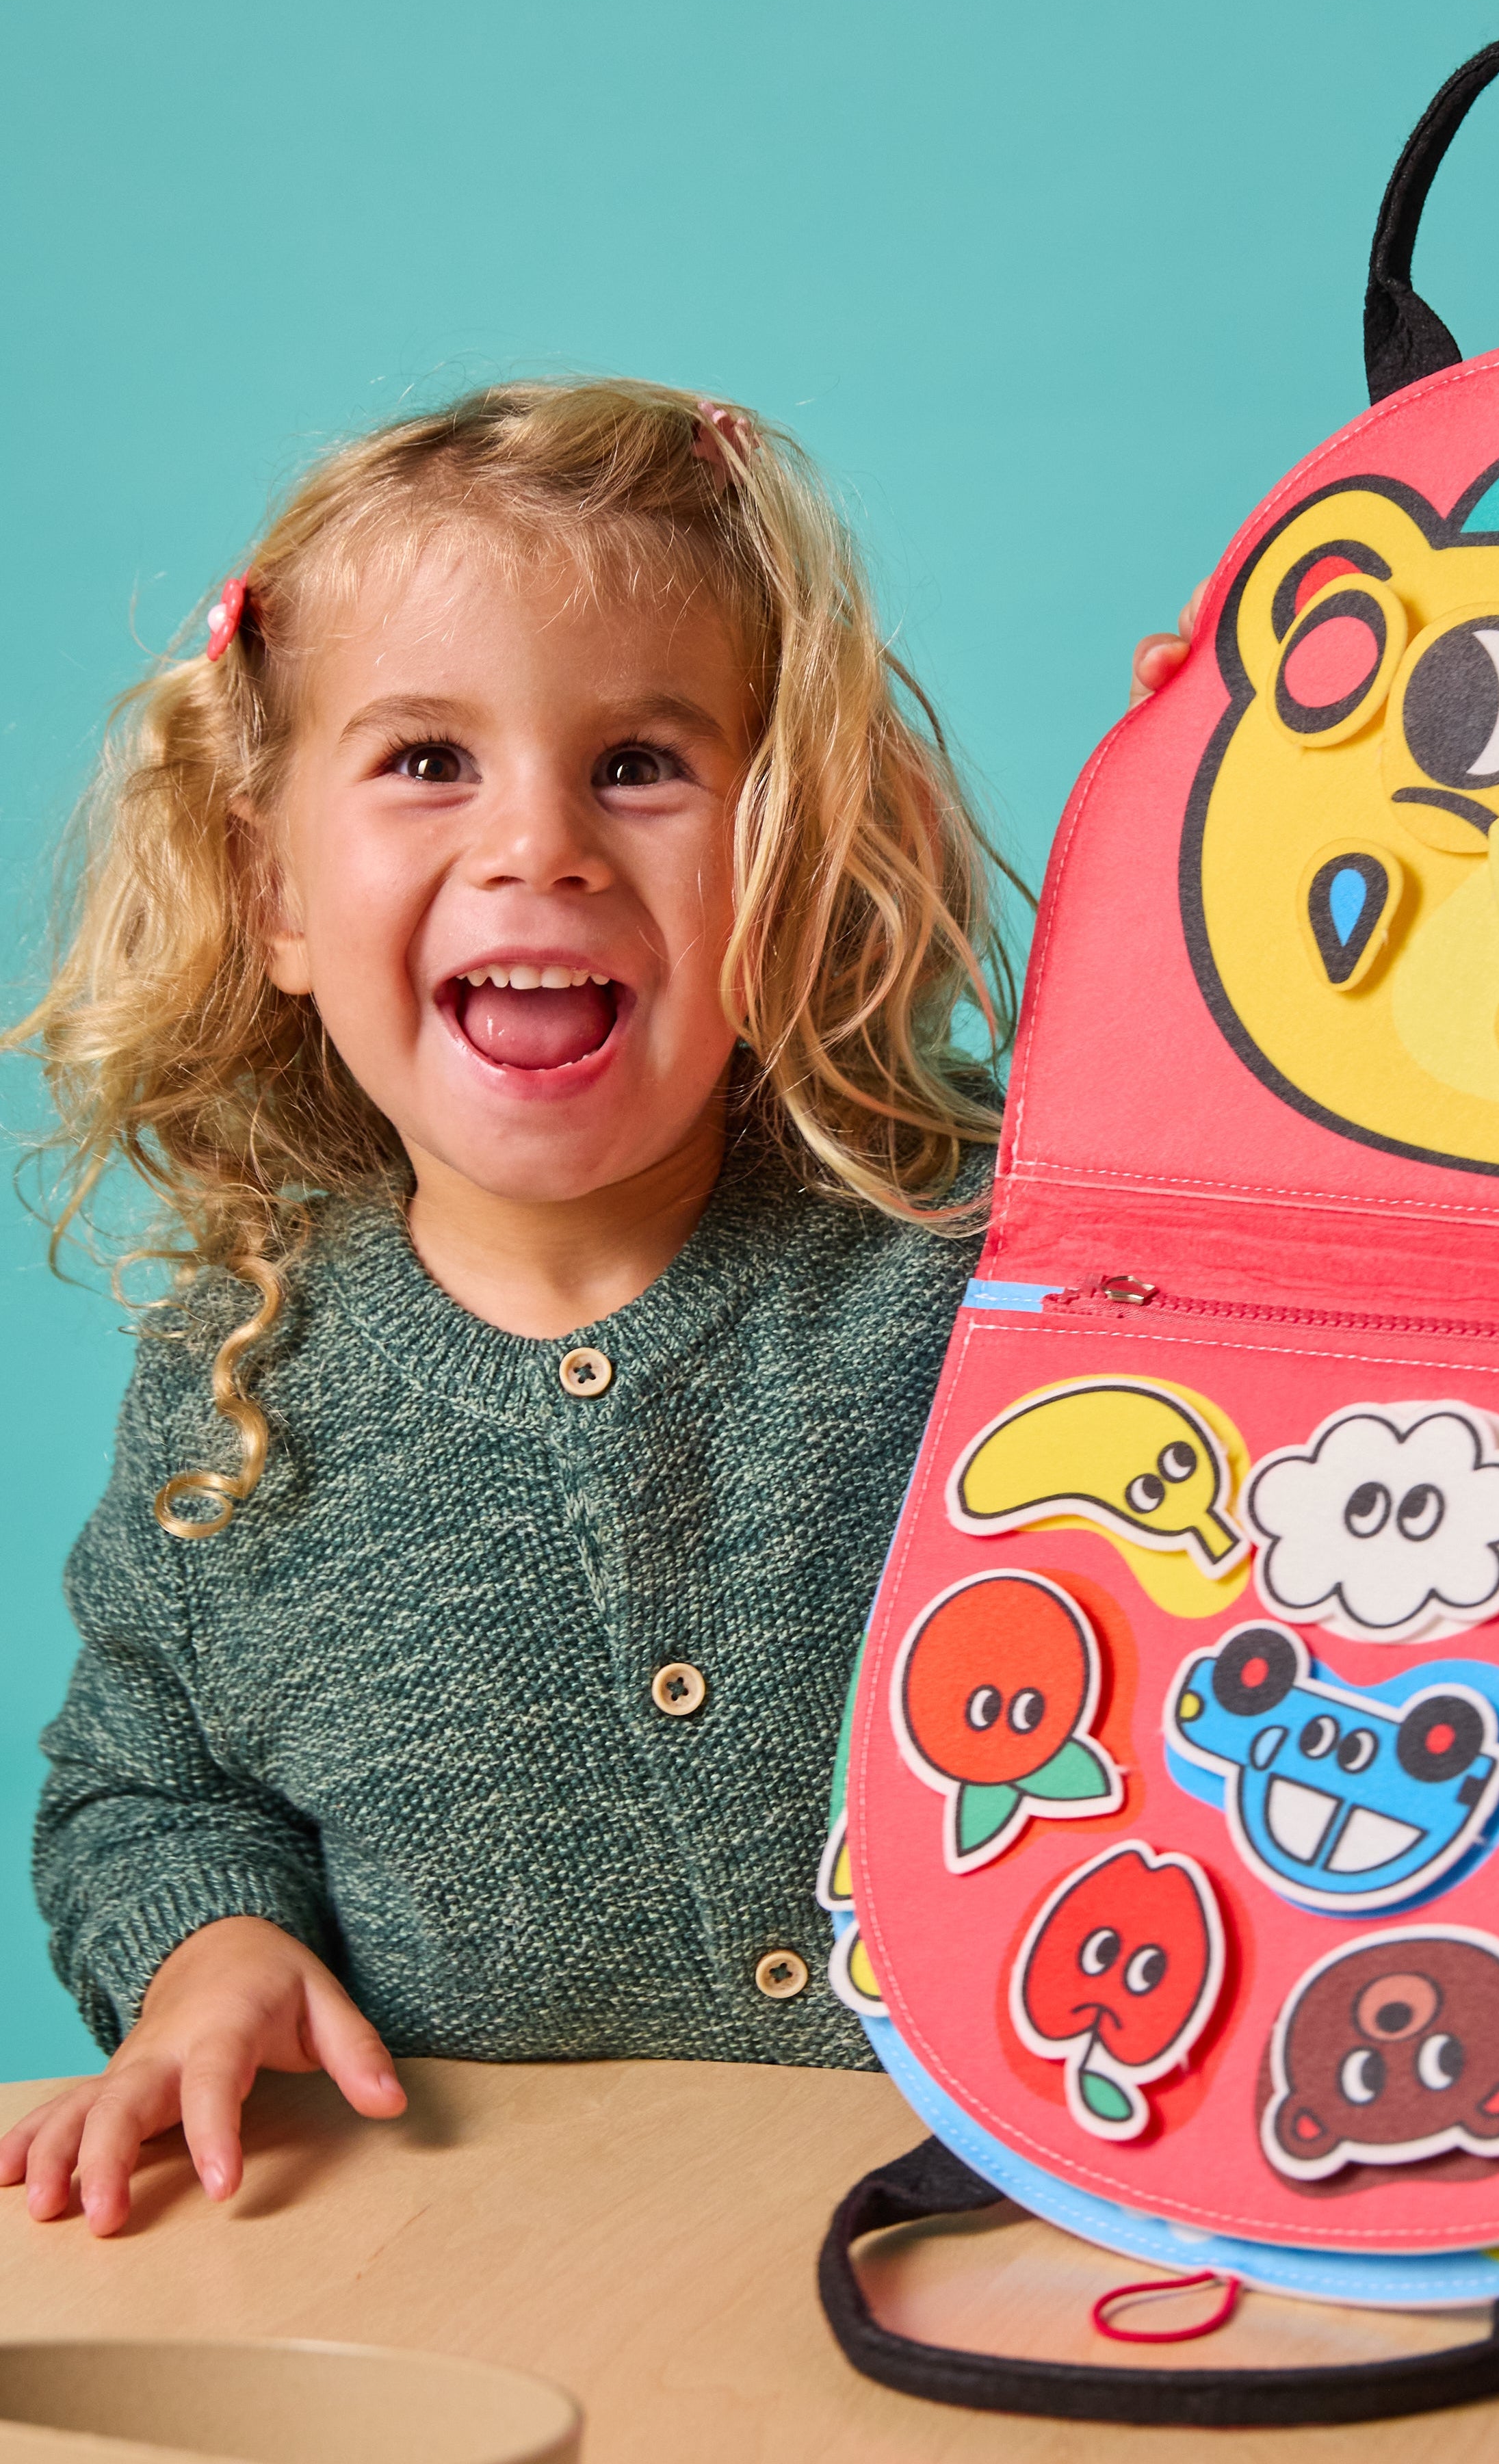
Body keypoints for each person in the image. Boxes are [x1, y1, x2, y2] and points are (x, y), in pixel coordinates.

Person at [0, 378, 1203, 2235]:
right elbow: (147, 1783)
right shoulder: (237, 1397)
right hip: (514, 2294)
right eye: (425, 762)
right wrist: (209, 1946)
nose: (537, 844)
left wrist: (1246, 840)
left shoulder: (1001, 1254)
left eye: (641, 763)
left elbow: (1318, 1349)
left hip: (1059, 2254)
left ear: (788, 848)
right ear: (271, 888)